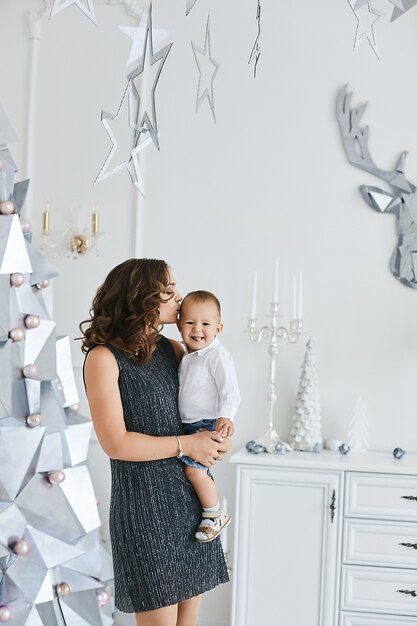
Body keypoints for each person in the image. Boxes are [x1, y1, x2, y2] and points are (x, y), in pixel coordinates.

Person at [79, 259, 230, 626]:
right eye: (168, 291)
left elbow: (196, 418)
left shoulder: (175, 351)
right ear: (140, 297)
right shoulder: (103, 359)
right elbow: (115, 443)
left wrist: (214, 438)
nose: (179, 297)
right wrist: (186, 444)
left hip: (189, 505)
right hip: (144, 510)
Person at [177, 291, 240, 543]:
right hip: (188, 425)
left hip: (205, 423)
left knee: (195, 473)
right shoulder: (188, 356)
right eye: (190, 322)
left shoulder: (217, 356)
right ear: (180, 324)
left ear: (218, 328)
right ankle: (209, 511)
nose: (197, 330)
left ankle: (214, 514)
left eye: (205, 324)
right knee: (189, 472)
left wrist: (226, 416)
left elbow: (230, 390)